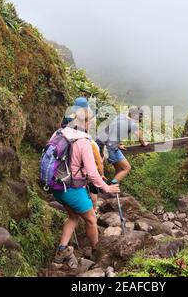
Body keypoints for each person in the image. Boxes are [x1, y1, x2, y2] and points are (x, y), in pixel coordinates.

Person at [52, 103, 120, 267]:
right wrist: (107, 188)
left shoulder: (58, 133)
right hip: (72, 189)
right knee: (91, 219)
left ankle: (61, 253)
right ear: (87, 123)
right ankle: (98, 254)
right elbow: (92, 172)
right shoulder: (83, 141)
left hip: (55, 186)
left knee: (73, 216)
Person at [96, 108, 148, 183]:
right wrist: (144, 143)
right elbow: (140, 137)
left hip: (99, 142)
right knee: (126, 168)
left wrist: (118, 144)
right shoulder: (133, 124)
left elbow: (113, 130)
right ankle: (111, 187)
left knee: (117, 169)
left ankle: (111, 188)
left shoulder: (120, 116)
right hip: (109, 147)